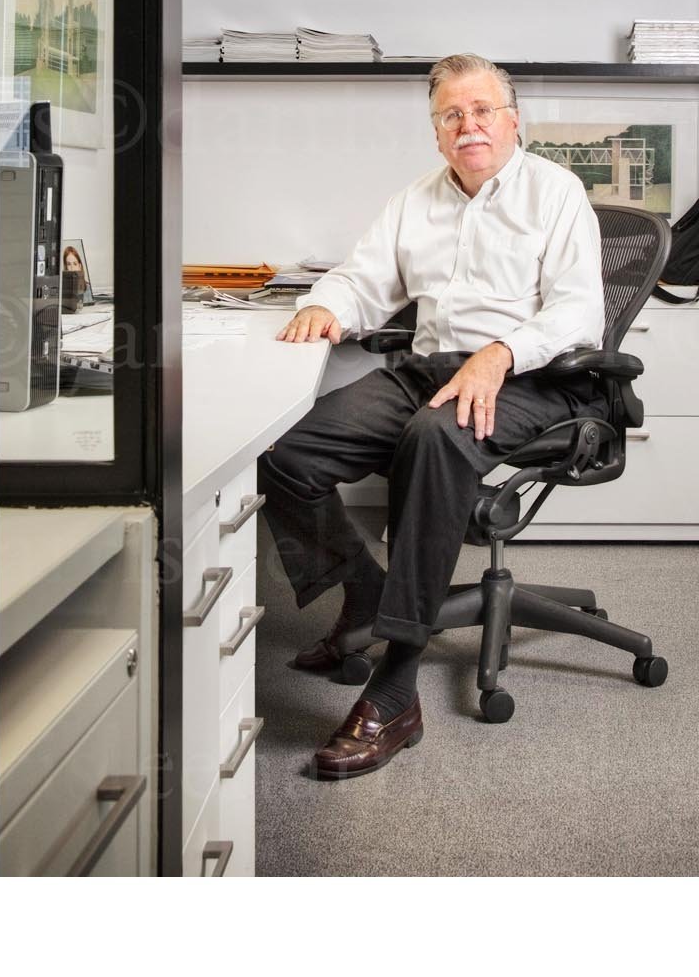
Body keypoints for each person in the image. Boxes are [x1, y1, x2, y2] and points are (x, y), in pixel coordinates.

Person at [259, 53, 605, 779]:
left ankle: (395, 690)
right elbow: (363, 279)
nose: (468, 124)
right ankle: (364, 588)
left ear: (513, 121)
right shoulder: (415, 199)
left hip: (534, 374)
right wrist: (325, 304)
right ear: (436, 131)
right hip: (428, 368)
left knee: (433, 441)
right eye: (451, 114)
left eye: (482, 110)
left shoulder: (556, 191)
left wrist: (503, 351)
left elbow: (578, 312)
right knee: (282, 453)